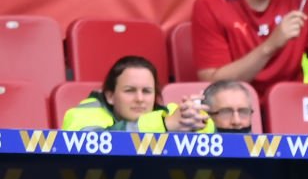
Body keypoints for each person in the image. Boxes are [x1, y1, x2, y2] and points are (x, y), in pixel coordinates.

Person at [62, 56, 211, 133]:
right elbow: (97, 146)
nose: (140, 99)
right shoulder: (83, 114)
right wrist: (165, 124)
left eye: (146, 91)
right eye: (129, 90)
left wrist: (197, 124)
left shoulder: (171, 113)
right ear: (110, 96)